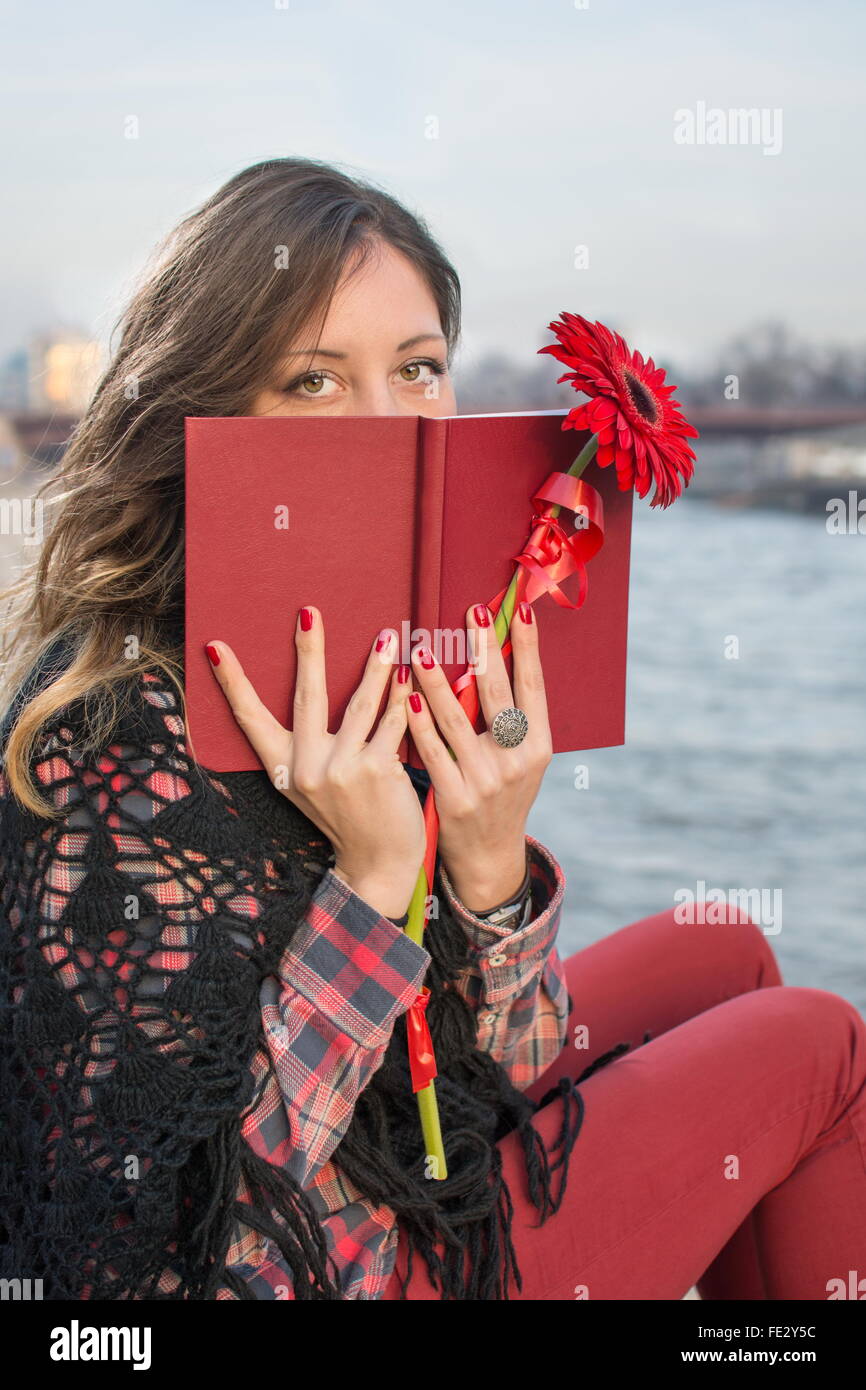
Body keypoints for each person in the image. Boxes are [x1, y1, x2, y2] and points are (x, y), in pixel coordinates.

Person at [1, 157, 865, 1302]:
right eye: (313, 380)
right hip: (331, 1268)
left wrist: (488, 866)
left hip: (409, 1167)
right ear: (200, 414)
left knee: (730, 958)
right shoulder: (110, 740)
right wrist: (370, 881)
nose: (384, 423)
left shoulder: (389, 648)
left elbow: (479, 1076)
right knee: (818, 1041)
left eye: (417, 370)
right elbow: (166, 1263)